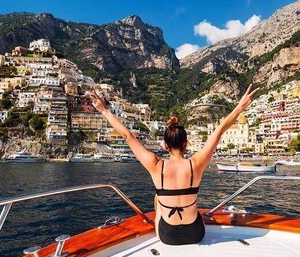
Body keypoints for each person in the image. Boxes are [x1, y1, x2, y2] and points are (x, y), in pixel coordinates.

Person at [88, 84, 259, 245]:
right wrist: (239, 107)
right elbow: (219, 129)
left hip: (168, 236)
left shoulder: (156, 165)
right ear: (186, 144)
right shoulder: (196, 164)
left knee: (158, 198)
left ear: (166, 146)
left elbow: (128, 136)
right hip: (196, 234)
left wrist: (104, 110)